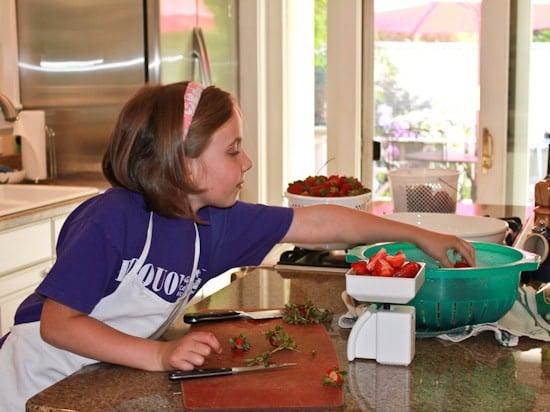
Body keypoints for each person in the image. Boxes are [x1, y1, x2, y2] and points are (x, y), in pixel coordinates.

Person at [0, 81, 475, 410]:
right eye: (232, 150)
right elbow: (58, 325)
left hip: (106, 375)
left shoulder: (217, 222)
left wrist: (415, 232)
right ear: (183, 166)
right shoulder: (112, 219)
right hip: (32, 382)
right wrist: (159, 356)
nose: (246, 161)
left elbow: (321, 222)